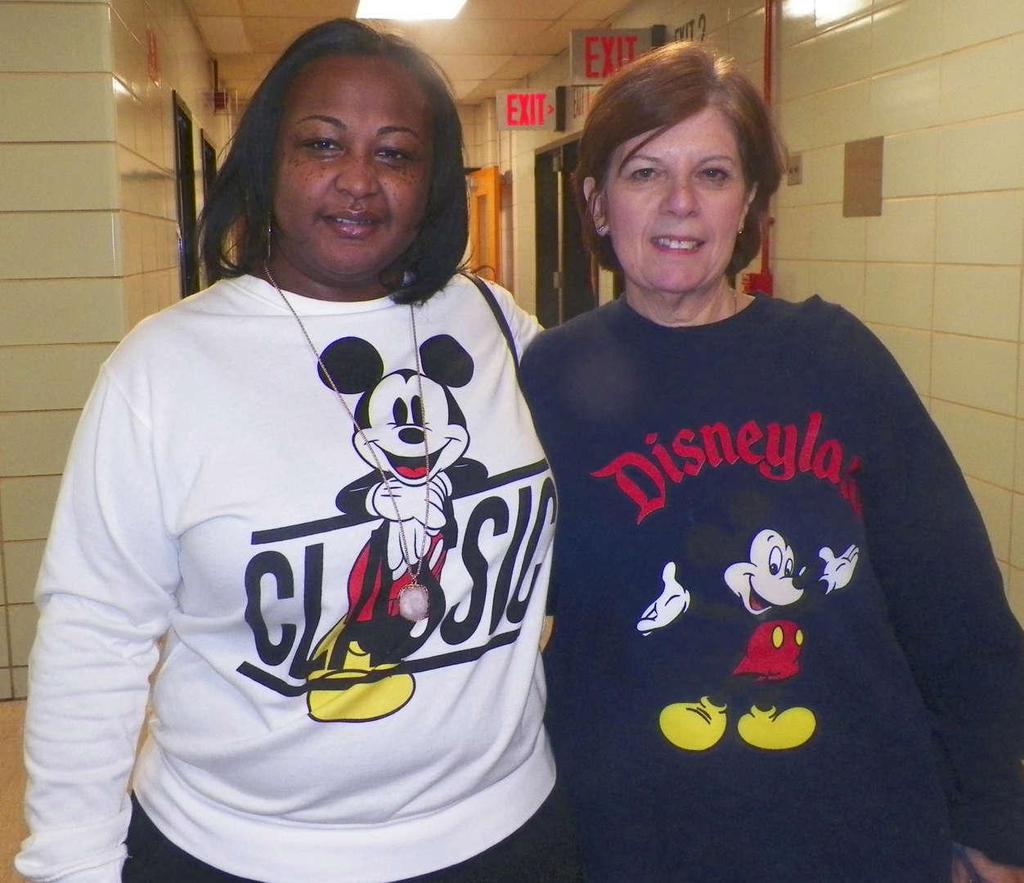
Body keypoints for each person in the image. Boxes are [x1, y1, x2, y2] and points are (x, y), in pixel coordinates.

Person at [17, 18, 581, 883]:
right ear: (267, 160)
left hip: (506, 836)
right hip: (239, 853)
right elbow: (95, 635)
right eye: (322, 144)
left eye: (395, 154)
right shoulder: (164, 367)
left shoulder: (493, 322)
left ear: (431, 182)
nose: (358, 180)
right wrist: (71, 864)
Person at [521, 41, 1024, 882]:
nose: (681, 203)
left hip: (856, 829)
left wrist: (995, 820)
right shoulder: (548, 379)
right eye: (645, 172)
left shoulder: (834, 359)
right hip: (631, 836)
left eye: (713, 174)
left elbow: (957, 606)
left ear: (750, 200)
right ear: (597, 202)